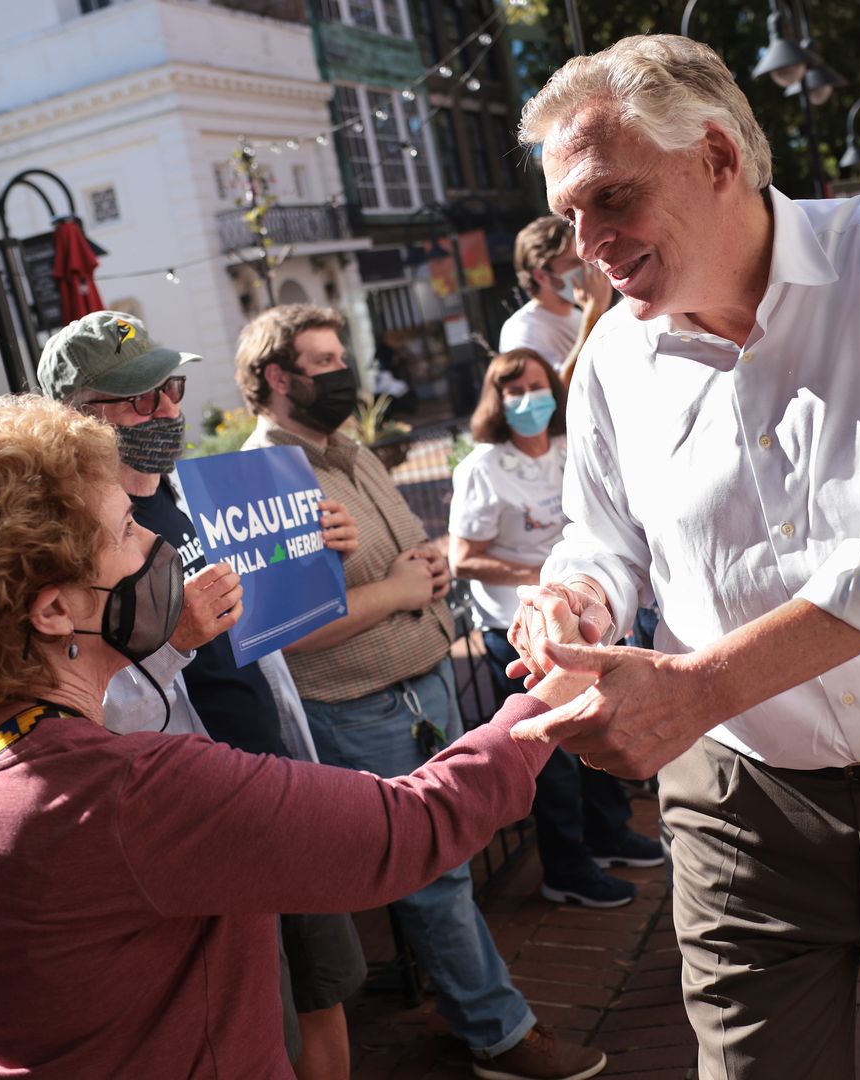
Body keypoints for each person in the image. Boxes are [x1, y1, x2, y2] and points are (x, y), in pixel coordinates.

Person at [508, 34, 860, 1079]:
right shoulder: (609, 364)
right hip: (743, 812)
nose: (582, 240)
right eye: (568, 213)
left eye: (609, 199)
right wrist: (575, 604)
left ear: (717, 157)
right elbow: (601, 536)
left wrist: (699, 687)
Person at [0, 393, 596, 1078]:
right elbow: (413, 825)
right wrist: (550, 699)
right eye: (126, 531)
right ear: (55, 609)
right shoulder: (127, 792)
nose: (159, 549)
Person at [237, 304, 607, 1080]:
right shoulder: (260, 479)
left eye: (343, 356)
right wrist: (405, 588)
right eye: (324, 361)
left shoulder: (351, 452)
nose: (344, 373)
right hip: (361, 704)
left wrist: (429, 571)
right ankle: (501, 1036)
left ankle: (467, 1000)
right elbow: (290, 630)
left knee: (449, 864)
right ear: (276, 378)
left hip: (422, 681)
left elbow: (415, 543)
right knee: (433, 875)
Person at [36, 310, 366, 1080]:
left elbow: (269, 623)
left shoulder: (201, 491)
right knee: (261, 1025)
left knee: (325, 988)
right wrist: (178, 640)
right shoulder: (79, 542)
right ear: (74, 419)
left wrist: (322, 549)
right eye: (137, 400)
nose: (166, 412)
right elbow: (88, 709)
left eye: (171, 388)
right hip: (205, 818)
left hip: (279, 779)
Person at [448, 348, 665, 910]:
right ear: (497, 401)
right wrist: (545, 584)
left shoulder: (571, 450)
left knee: (597, 736)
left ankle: (609, 834)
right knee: (554, 763)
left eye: (537, 386)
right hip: (519, 630)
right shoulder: (482, 469)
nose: (528, 400)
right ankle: (566, 868)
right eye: (513, 390)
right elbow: (463, 557)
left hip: (585, 624)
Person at [497, 216, 612, 391]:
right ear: (541, 276)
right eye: (574, 262)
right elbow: (557, 389)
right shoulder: (521, 329)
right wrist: (594, 313)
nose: (587, 267)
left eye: (585, 258)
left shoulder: (578, 315)